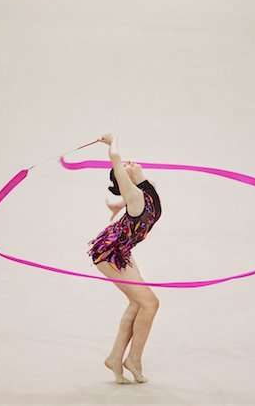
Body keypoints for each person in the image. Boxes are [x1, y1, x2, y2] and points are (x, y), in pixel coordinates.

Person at [87, 133, 162, 384]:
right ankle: (134, 359)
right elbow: (116, 157)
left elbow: (143, 210)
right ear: (126, 180)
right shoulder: (135, 196)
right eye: (127, 167)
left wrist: (117, 207)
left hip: (121, 250)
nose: (129, 163)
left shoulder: (144, 191)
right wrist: (112, 140)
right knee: (150, 303)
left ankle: (115, 357)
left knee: (138, 303)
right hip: (109, 253)